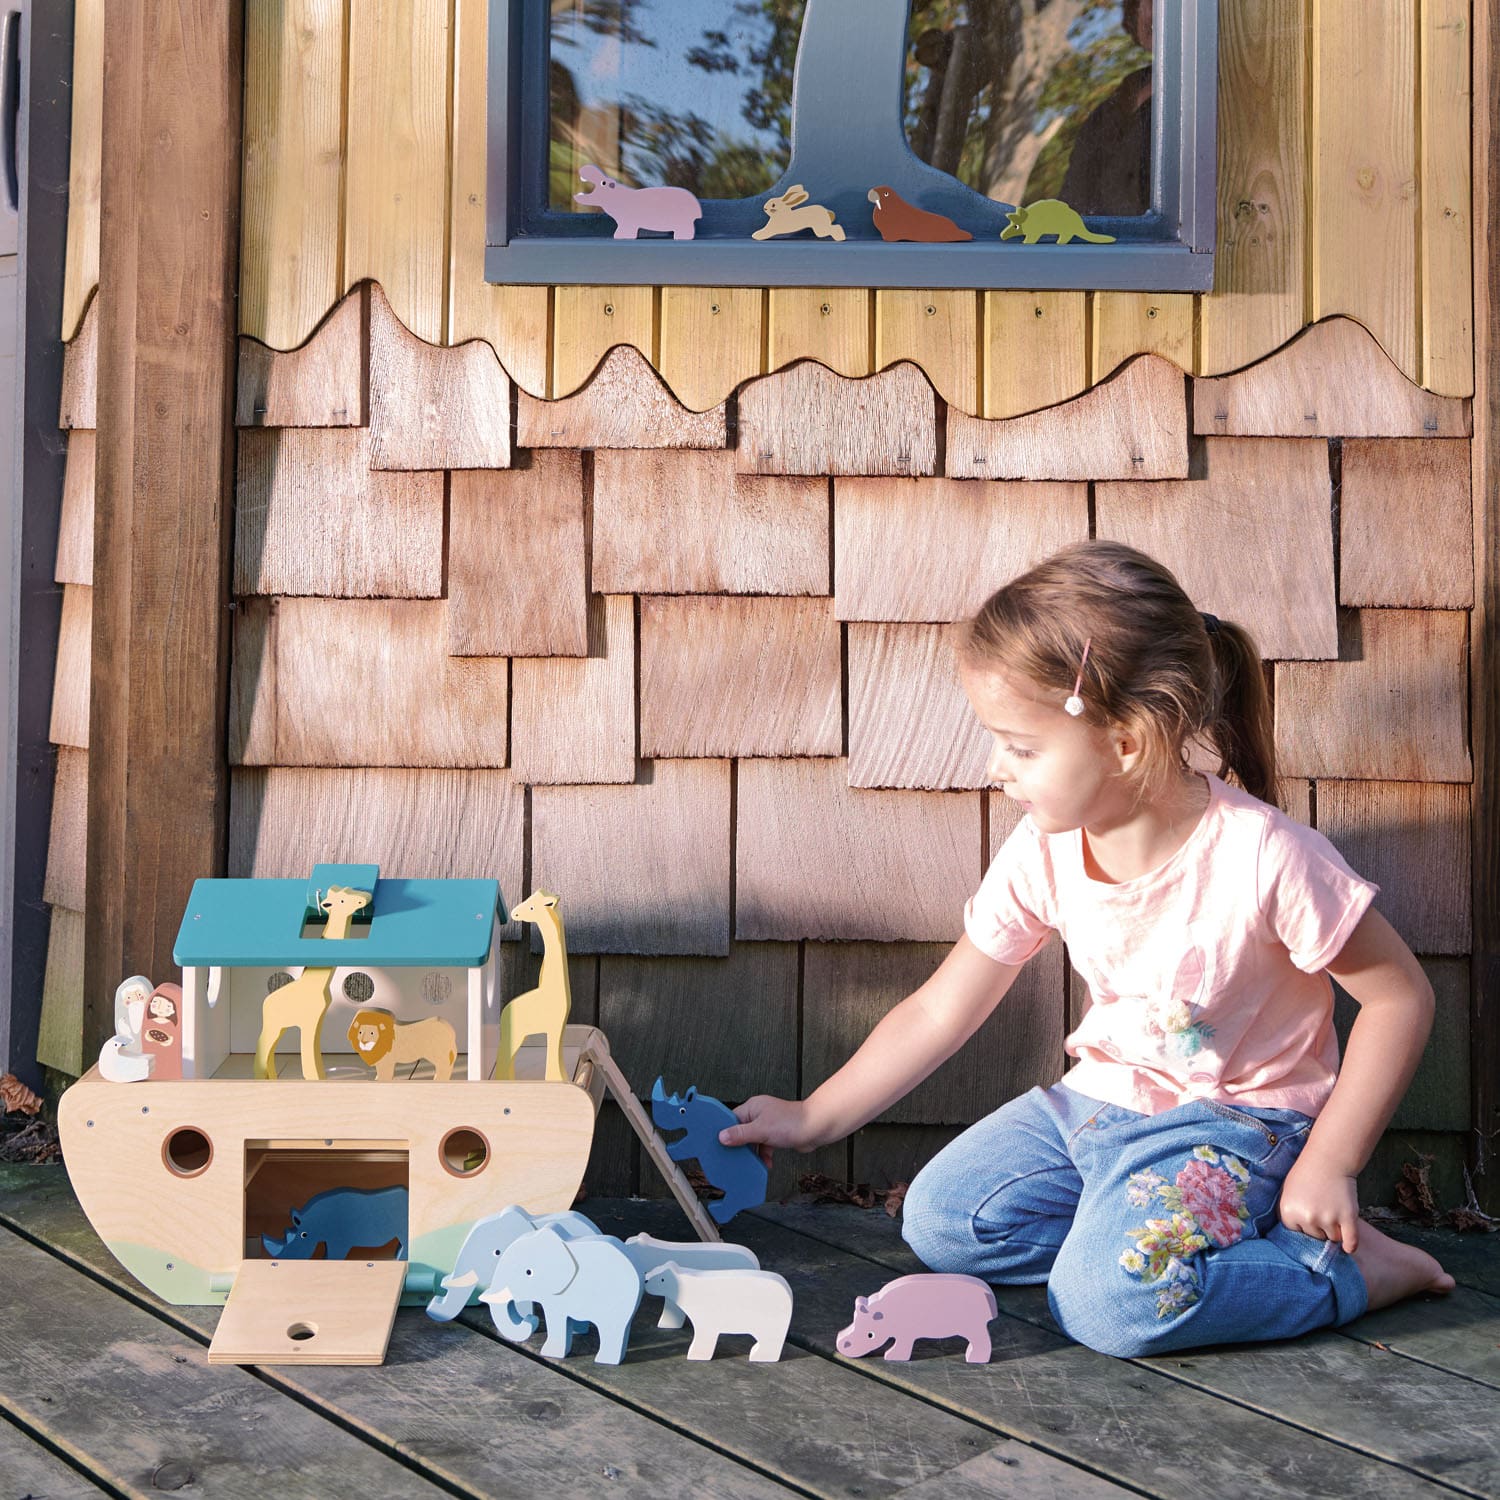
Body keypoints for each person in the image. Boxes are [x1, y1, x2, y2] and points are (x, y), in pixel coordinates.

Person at [720, 540, 1454, 1357]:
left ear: (1126, 742)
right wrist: (818, 1115)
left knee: (1109, 1309)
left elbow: (1399, 997)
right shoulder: (1045, 849)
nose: (998, 769)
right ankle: (1136, 1244)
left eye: (1022, 748)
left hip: (1238, 1125)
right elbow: (942, 1005)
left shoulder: (1266, 858)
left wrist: (1330, 1164)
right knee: (944, 1221)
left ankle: (1342, 1272)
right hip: (1097, 1106)